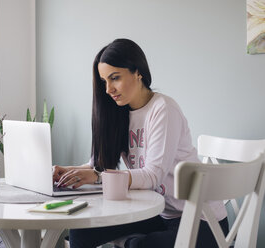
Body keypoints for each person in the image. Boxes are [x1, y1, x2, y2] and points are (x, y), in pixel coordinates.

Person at [53, 38, 228, 248]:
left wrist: (99, 176)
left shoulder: (163, 109)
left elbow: (152, 176)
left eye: (115, 78)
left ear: (138, 72)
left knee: (138, 245)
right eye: (104, 81)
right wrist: (66, 172)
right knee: (81, 233)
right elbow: (96, 165)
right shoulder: (119, 113)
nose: (108, 89)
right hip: (160, 214)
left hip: (201, 221)